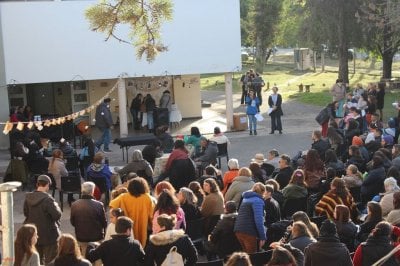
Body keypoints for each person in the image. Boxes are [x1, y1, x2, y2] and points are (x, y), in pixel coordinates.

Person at [23, 174, 62, 264]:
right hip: (49, 236)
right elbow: (57, 215)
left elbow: (26, 213)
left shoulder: (28, 198)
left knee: (36, 261)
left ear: (37, 184)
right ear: (47, 185)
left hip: (33, 234)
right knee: (51, 261)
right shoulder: (48, 199)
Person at [109, 177, 154, 247]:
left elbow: (112, 204)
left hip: (127, 228)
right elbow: (152, 215)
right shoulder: (147, 198)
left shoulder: (123, 197)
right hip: (142, 227)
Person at [70, 182, 107, 257]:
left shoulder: (74, 205)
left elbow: (72, 222)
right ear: (92, 191)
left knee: (84, 257)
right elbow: (104, 223)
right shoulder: (99, 205)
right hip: (96, 237)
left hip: (81, 237)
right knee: (97, 259)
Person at [234, 183, 267, 253]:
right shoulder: (258, 201)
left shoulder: (245, 199)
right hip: (249, 231)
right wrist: (263, 237)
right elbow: (259, 220)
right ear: (263, 192)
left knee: (246, 255)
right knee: (252, 257)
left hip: (238, 229)